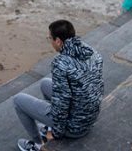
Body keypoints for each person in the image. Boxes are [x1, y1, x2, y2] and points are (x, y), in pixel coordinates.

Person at [14, 20, 104, 151]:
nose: (49, 41)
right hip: (90, 118)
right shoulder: (93, 53)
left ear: (58, 41)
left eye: (50, 38)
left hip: (74, 127)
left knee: (18, 100)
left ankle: (39, 145)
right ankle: (49, 126)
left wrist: (57, 133)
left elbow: (62, 103)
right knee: (45, 83)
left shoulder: (60, 63)